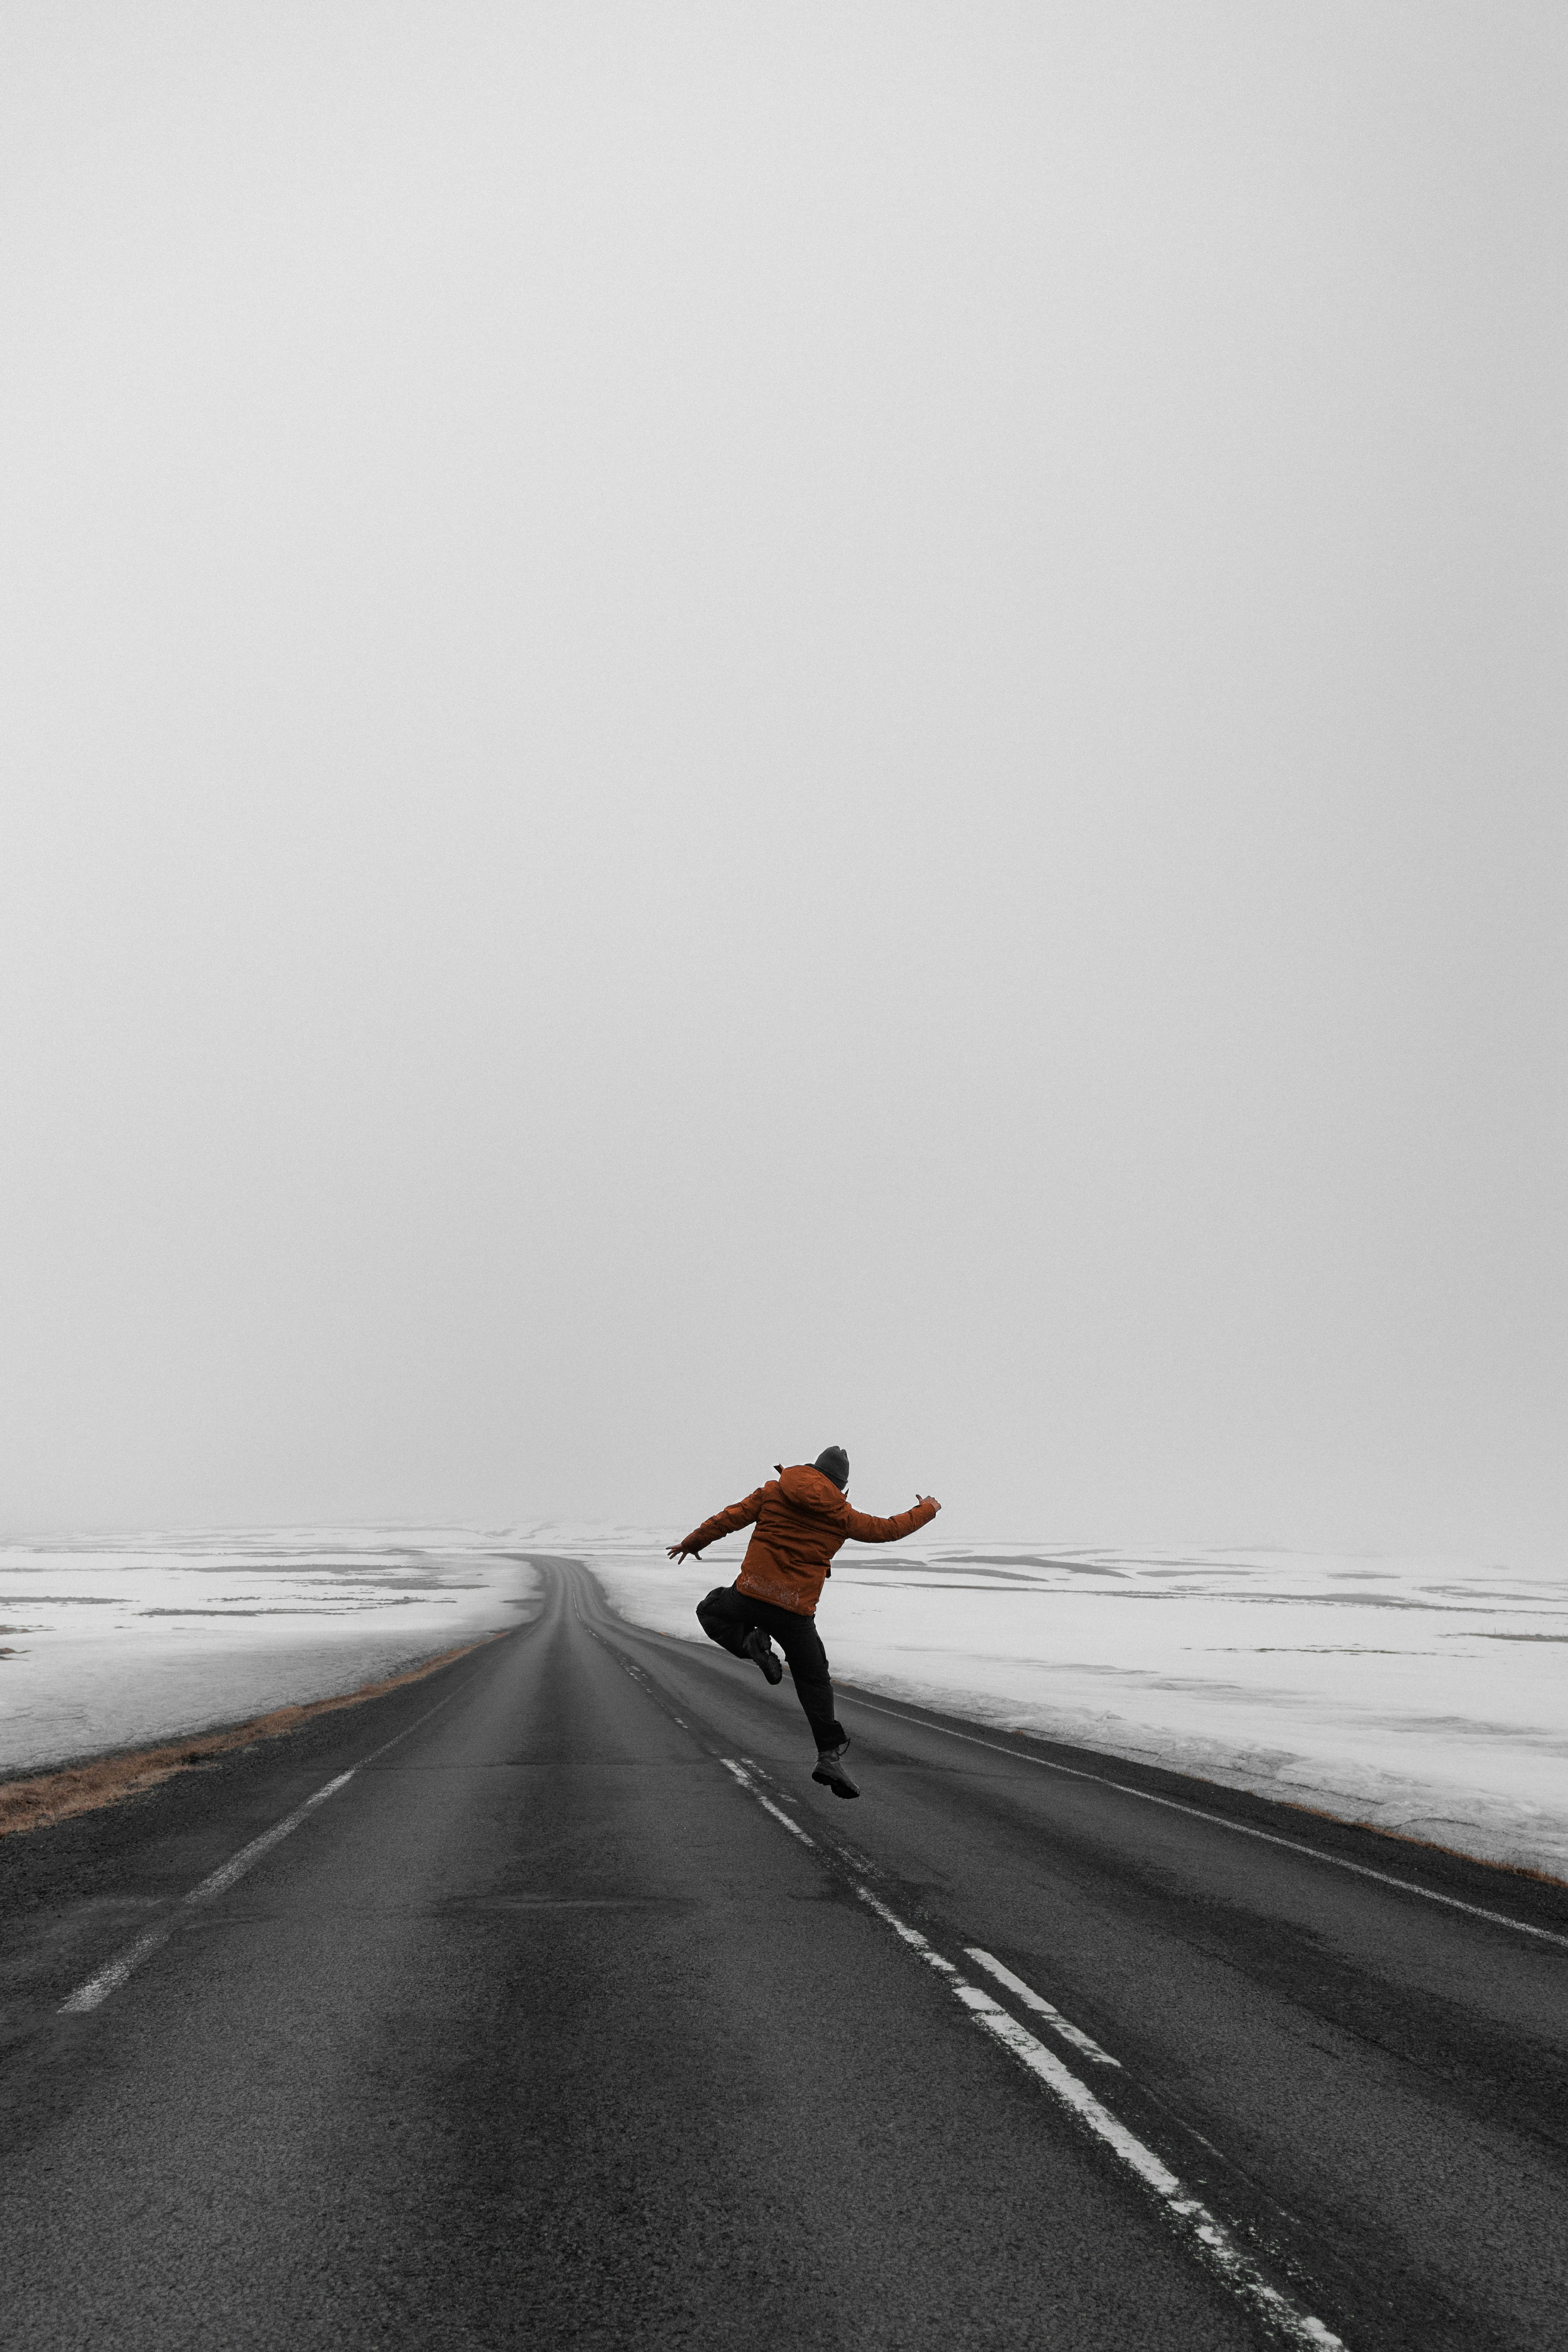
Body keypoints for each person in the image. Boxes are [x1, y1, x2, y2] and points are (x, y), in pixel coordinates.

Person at [668, 1446, 940, 1798]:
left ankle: (749, 1644)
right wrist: (927, 1509)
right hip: (795, 1612)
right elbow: (888, 1530)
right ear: (841, 1485)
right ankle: (828, 1757)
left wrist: (693, 1542)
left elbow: (728, 1518)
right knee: (814, 1682)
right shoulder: (843, 1514)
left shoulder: (773, 1490)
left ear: (811, 1468)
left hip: (750, 1595)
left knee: (711, 1609)